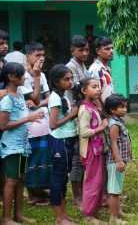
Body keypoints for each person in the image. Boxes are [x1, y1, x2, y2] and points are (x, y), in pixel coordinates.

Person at [0, 62, 44, 225]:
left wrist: (37, 76)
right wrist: (28, 118)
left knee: (20, 180)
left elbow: (36, 97)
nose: (25, 77)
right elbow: (3, 126)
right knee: (11, 181)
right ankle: (6, 218)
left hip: (23, 146)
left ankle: (18, 215)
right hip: (12, 147)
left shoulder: (19, 94)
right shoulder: (7, 100)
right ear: (11, 77)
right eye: (22, 75)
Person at [20, 42, 51, 206]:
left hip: (42, 121)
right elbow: (35, 97)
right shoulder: (22, 76)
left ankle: (40, 189)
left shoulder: (42, 75)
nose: (41, 59)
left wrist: (39, 104)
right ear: (28, 56)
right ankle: (32, 192)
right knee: (32, 156)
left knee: (43, 155)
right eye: (37, 55)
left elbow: (47, 98)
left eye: (42, 55)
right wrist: (37, 77)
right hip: (28, 123)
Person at [48, 64, 78, 225]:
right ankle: (59, 217)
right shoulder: (55, 98)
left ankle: (64, 215)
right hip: (60, 141)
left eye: (71, 78)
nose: (70, 82)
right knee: (58, 179)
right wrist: (71, 115)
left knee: (63, 178)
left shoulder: (64, 95)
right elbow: (53, 124)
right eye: (66, 79)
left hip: (67, 139)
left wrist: (71, 113)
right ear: (56, 81)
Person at [76, 77, 108, 224]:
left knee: (98, 180)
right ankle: (88, 215)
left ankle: (95, 207)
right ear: (84, 91)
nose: (98, 89)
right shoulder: (85, 109)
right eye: (94, 87)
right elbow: (84, 132)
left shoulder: (92, 106)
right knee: (92, 182)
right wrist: (100, 128)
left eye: (99, 86)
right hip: (90, 150)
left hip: (97, 149)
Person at [65, 34, 90, 206]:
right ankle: (76, 196)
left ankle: (83, 191)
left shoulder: (82, 65)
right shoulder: (70, 67)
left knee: (83, 155)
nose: (85, 53)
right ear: (72, 50)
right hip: (74, 114)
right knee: (76, 157)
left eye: (87, 50)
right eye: (81, 50)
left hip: (83, 112)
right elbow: (76, 91)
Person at [105, 94, 132, 225]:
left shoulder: (119, 121)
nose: (125, 109)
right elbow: (113, 143)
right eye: (121, 107)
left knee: (118, 189)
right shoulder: (114, 124)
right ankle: (113, 218)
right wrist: (119, 160)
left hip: (119, 161)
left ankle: (118, 212)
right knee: (114, 191)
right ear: (112, 110)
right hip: (115, 162)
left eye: (125, 106)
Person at [88, 36, 114, 103]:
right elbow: (95, 95)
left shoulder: (106, 68)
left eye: (112, 48)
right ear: (98, 51)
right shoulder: (95, 69)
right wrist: (103, 112)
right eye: (107, 49)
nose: (111, 51)